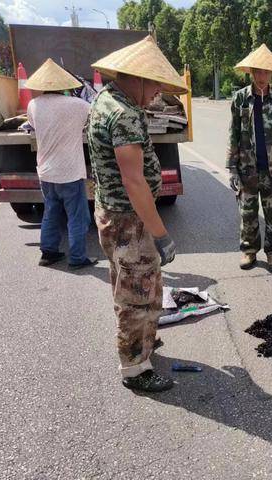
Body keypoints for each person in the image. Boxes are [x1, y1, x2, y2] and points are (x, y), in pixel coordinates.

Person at [87, 36, 187, 392]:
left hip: (113, 214)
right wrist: (160, 234)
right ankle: (135, 369)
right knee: (135, 294)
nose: (158, 92)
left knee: (135, 285)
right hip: (130, 220)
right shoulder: (124, 114)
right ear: (139, 77)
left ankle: (144, 343)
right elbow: (134, 182)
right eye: (156, 83)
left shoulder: (105, 100)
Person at [227, 44, 272, 272]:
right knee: (248, 213)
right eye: (258, 71)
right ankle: (249, 251)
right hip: (247, 169)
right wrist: (232, 168)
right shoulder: (240, 100)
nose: (262, 76)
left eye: (266, 72)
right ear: (252, 72)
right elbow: (233, 134)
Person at [25, 58, 97, 270]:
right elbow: (92, 119)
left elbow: (34, 126)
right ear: (65, 84)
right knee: (77, 217)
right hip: (70, 172)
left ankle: (48, 253)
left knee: (51, 212)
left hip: (46, 172)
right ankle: (77, 258)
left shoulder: (33, 104)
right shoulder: (78, 105)